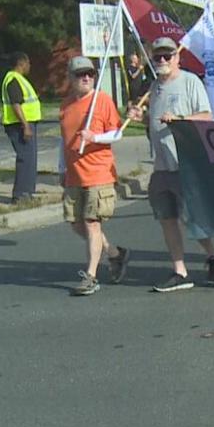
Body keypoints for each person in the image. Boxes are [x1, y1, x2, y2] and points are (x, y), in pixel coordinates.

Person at [124, 37, 214, 293]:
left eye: (167, 56)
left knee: (191, 218)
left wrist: (179, 119)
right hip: (161, 165)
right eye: (157, 56)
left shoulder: (190, 82)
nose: (162, 61)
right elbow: (155, 122)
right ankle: (179, 270)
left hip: (186, 164)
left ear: (177, 57)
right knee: (166, 218)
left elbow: (206, 116)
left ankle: (213, 254)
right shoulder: (154, 88)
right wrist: (142, 118)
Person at [59, 56, 130, 296]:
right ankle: (114, 254)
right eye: (80, 74)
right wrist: (62, 168)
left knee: (92, 223)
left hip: (98, 172)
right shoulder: (66, 105)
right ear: (70, 78)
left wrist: (94, 138)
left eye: (90, 73)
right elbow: (64, 141)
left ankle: (91, 276)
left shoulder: (102, 100)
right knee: (76, 223)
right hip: (74, 174)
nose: (86, 78)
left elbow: (117, 133)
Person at [1, 52, 41, 204]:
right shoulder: (13, 79)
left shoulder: (19, 79)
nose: (29, 66)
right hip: (20, 125)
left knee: (30, 158)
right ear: (21, 63)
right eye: (28, 63)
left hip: (26, 123)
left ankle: (28, 193)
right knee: (26, 158)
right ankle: (21, 195)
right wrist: (25, 126)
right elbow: (16, 104)